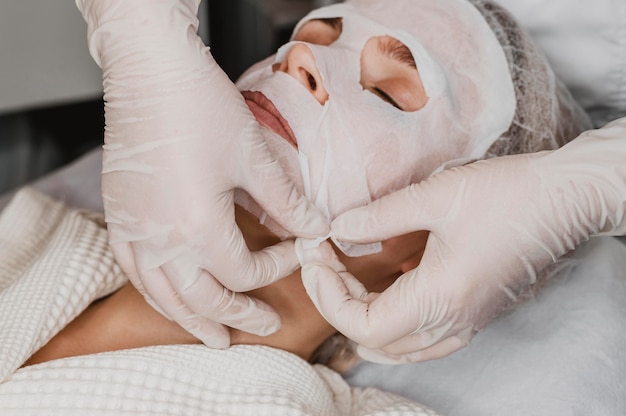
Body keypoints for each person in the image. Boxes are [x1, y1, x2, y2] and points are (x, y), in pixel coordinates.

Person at [75, 0, 591, 353]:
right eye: (314, 34)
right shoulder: (43, 230)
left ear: (440, 251)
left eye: (389, 93)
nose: (299, 55)